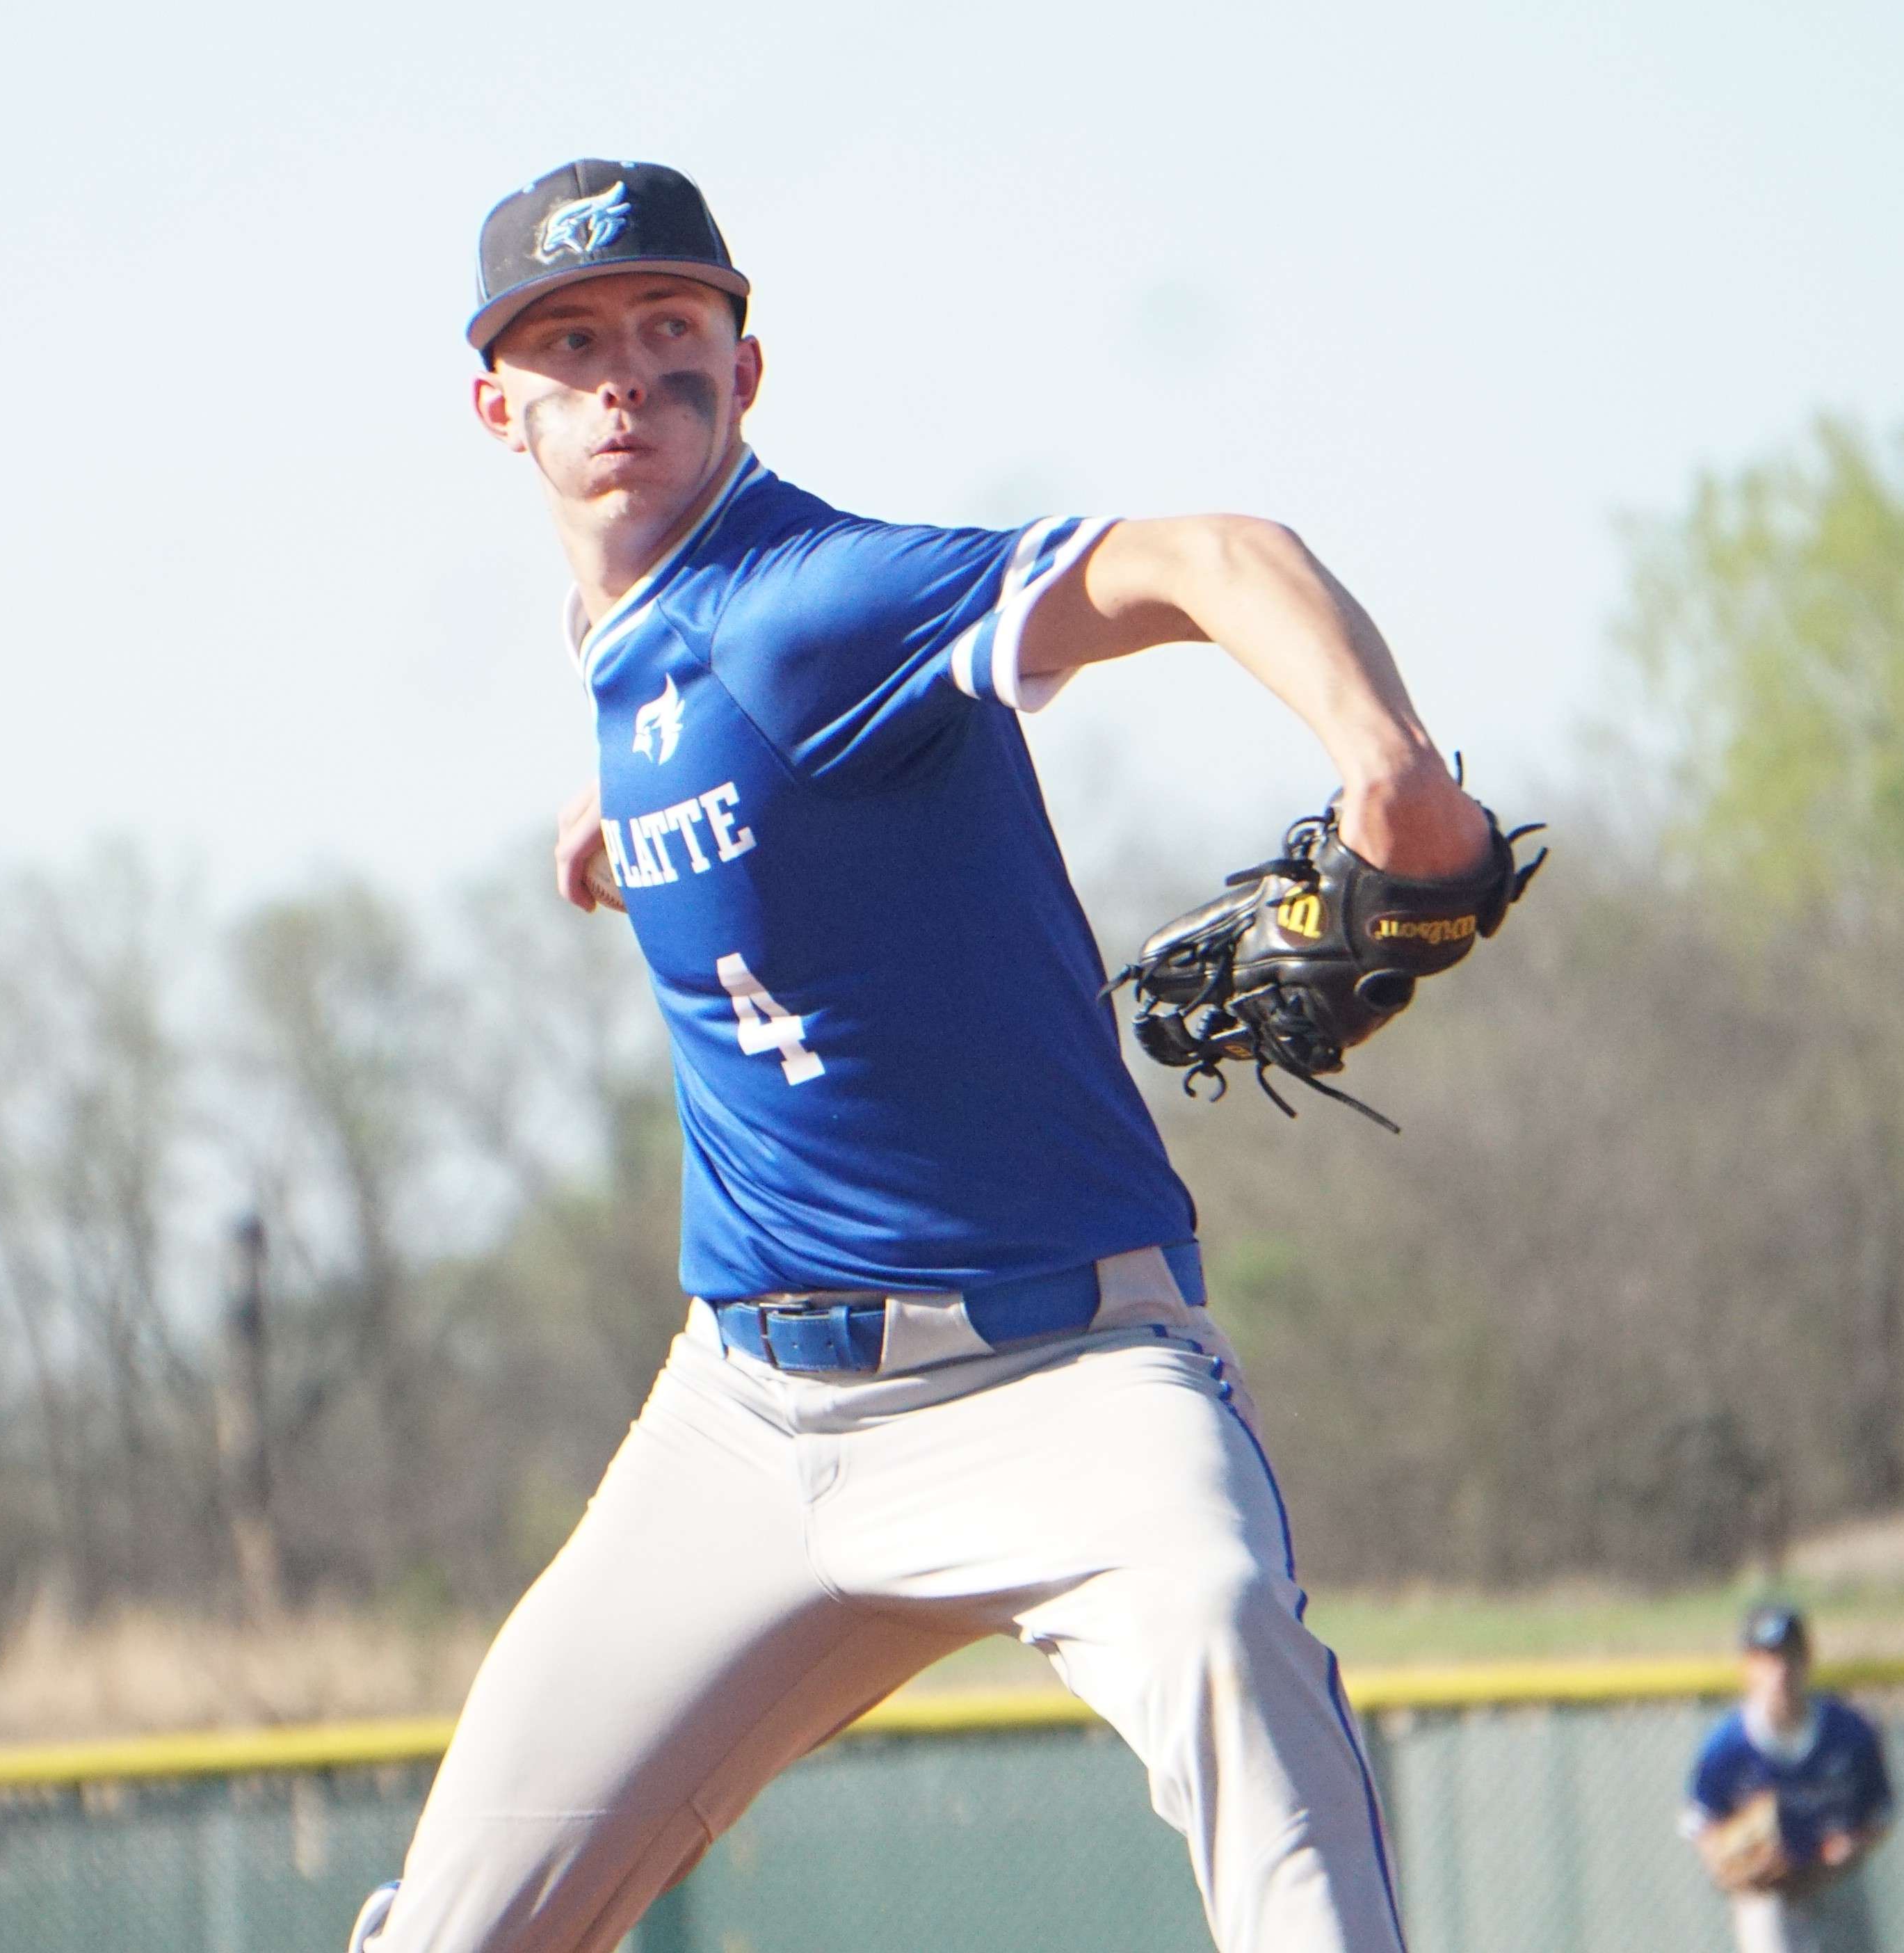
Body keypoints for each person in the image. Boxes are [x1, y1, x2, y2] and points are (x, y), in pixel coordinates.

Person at [350, 155, 1501, 1953]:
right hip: (745, 1425)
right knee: (451, 1934)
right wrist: (617, 813)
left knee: (1226, 1645)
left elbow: (1211, 559)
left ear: (748, 371)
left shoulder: (816, 603)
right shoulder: (636, 648)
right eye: (571, 341)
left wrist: (1390, 767)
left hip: (1059, 1378)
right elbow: (707, 723)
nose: (628, 371)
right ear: (499, 410)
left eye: (672, 325)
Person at [1683, 1604, 1896, 1953]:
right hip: (1766, 1893)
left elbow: (1880, 1813)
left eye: (1789, 1658)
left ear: (1807, 1660)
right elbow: (1700, 1821)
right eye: (1767, 1660)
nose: (1779, 1673)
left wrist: (1854, 1847)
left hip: (1837, 1884)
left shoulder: (1849, 1735)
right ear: (1748, 1667)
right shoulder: (1727, 1748)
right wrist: (1725, 1861)